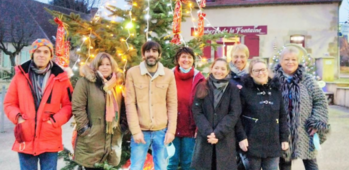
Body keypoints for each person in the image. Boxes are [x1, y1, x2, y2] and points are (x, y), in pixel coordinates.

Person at [4, 39, 73, 170]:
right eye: (38, 51)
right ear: (32, 54)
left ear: (50, 55)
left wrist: (54, 121)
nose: (41, 55)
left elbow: (68, 106)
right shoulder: (20, 76)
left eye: (46, 52)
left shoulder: (61, 78)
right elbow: (9, 103)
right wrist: (18, 118)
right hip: (26, 135)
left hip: (49, 136)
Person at [274, 46, 329, 170]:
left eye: (293, 59)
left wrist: (316, 122)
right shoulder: (273, 80)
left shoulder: (307, 80)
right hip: (281, 130)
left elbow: (320, 101)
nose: (290, 62)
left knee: (311, 163)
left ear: (298, 61)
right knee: (284, 163)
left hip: (304, 129)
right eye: (286, 59)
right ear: (280, 61)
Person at [125, 41, 177, 170]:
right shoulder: (132, 73)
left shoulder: (168, 74)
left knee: (162, 166)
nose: (151, 54)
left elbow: (172, 104)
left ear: (159, 55)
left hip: (161, 131)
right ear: (143, 55)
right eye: (148, 51)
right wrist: (135, 131)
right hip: (141, 131)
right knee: (136, 166)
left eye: (154, 51)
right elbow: (130, 104)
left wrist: (171, 131)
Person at [72, 52, 127, 170]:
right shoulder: (85, 83)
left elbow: (124, 107)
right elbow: (78, 106)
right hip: (92, 137)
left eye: (108, 64)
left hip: (112, 138)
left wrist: (122, 127)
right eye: (101, 64)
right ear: (96, 67)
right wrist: (84, 129)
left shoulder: (117, 84)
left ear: (112, 66)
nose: (105, 67)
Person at [236, 58, 289, 170]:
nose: (261, 73)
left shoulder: (275, 91)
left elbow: (282, 116)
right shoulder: (245, 91)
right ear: (251, 73)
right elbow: (236, 117)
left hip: (273, 144)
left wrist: (284, 138)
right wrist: (241, 138)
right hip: (251, 144)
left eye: (263, 69)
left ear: (267, 71)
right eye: (256, 70)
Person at [191, 58, 242, 170]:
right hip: (205, 138)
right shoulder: (202, 86)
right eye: (216, 68)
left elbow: (234, 113)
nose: (219, 71)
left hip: (225, 139)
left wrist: (218, 133)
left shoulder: (233, 89)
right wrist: (209, 132)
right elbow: (197, 111)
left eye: (223, 68)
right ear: (211, 68)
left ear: (228, 71)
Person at [167, 47, 205, 170]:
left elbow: (204, 104)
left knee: (188, 163)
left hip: (190, 128)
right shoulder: (168, 76)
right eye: (183, 56)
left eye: (189, 57)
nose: (186, 60)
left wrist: (199, 126)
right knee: (171, 161)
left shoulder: (199, 78)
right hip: (171, 128)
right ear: (178, 59)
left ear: (193, 60)